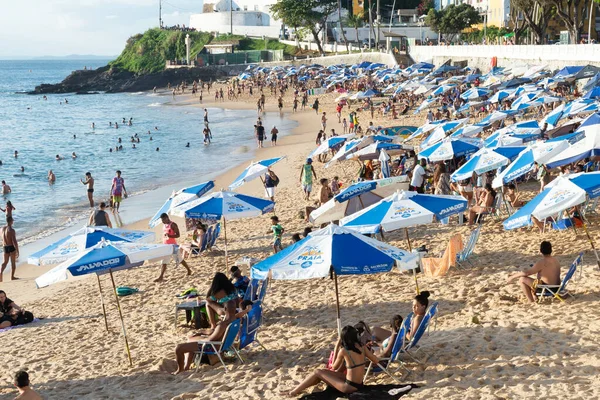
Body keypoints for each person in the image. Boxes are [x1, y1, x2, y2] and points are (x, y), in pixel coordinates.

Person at [285, 325, 380, 397]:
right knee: (321, 373)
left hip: (348, 387)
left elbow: (333, 367)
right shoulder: (363, 347)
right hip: (360, 384)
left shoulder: (344, 351)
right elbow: (375, 360)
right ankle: (295, 391)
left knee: (317, 371)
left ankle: (293, 392)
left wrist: (336, 347)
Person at [173, 274, 237, 374]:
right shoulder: (234, 320)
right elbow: (216, 336)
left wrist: (201, 335)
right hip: (220, 344)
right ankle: (186, 367)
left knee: (179, 348)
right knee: (191, 339)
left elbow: (210, 340)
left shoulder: (222, 324)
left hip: (211, 347)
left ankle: (180, 369)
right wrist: (204, 333)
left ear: (224, 309)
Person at [154, 213, 192, 282]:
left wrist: (170, 236)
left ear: (167, 218)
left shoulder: (173, 225)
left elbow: (178, 235)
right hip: (165, 246)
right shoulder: (164, 225)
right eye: (161, 220)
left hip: (173, 246)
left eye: (163, 220)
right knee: (164, 261)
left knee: (179, 259)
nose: (162, 222)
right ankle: (161, 277)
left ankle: (189, 270)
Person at [1, 217, 19, 281]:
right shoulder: (11, 230)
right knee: (13, 262)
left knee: (5, 262)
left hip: (5, 247)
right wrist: (17, 251)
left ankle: (1, 274)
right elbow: (14, 241)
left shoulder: (2, 229)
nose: (13, 221)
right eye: (12, 220)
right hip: (11, 247)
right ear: (11, 221)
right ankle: (12, 277)